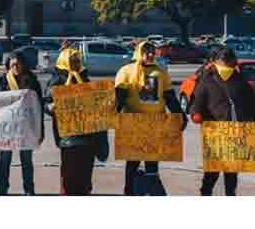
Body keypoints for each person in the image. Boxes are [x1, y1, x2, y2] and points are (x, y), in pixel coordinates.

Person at [115, 40, 187, 195]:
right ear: (139, 53)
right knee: (132, 161)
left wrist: (180, 115)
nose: (150, 55)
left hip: (155, 124)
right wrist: (112, 115)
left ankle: (151, 191)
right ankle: (129, 191)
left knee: (152, 162)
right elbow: (119, 98)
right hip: (133, 123)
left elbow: (170, 98)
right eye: (146, 51)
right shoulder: (126, 71)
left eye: (152, 52)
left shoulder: (160, 73)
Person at [44, 46, 109, 195]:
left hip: (88, 136)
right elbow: (46, 103)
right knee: (69, 175)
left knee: (85, 176)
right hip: (68, 138)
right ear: (64, 61)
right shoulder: (56, 81)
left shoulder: (85, 79)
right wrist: (51, 107)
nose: (75, 63)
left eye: (77, 60)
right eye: (72, 60)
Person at [191, 46, 255, 195]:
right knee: (213, 170)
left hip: (236, 133)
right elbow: (197, 104)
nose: (229, 62)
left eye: (231, 58)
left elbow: (251, 103)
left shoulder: (240, 80)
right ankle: (205, 192)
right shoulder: (207, 80)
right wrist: (196, 115)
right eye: (225, 59)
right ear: (217, 61)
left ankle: (230, 195)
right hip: (215, 132)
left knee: (231, 171)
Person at [0, 51, 44, 195]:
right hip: (7, 129)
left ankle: (29, 190)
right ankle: (2, 190)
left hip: (26, 128)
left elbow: (39, 105)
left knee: (26, 160)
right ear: (8, 65)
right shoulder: (3, 80)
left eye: (17, 64)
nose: (14, 67)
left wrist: (40, 132)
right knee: (5, 160)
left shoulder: (31, 80)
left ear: (23, 65)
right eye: (12, 64)